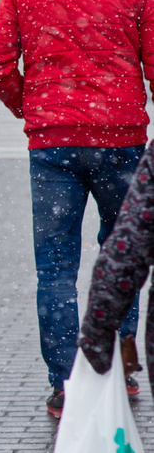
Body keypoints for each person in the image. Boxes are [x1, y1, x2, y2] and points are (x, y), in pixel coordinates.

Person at [0, 0, 154, 418]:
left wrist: (29, 106)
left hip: (52, 145)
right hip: (122, 142)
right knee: (122, 257)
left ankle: (64, 385)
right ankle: (119, 368)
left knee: (55, 270)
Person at [79, 143, 154, 399]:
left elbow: (128, 251)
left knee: (55, 270)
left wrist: (97, 336)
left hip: (57, 136)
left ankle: (62, 383)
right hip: (114, 136)